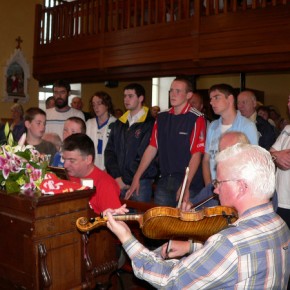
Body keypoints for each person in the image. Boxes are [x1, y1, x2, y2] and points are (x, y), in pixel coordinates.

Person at [106, 143, 290, 289]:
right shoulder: (280, 224)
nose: (215, 189)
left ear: (241, 186)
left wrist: (126, 237)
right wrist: (193, 247)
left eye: (219, 182)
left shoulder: (230, 243)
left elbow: (170, 281)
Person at [128, 77, 206, 206]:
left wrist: (185, 186)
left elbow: (196, 154)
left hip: (187, 181)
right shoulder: (162, 117)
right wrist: (137, 176)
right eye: (171, 91)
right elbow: (152, 147)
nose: (173, 94)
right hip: (164, 180)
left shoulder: (196, 118)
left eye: (178, 91)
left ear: (188, 95)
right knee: (161, 222)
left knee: (184, 224)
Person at [105, 83, 157, 202]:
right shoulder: (118, 124)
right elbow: (109, 152)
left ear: (141, 98)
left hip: (140, 181)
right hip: (118, 181)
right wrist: (117, 177)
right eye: (124, 96)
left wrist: (127, 179)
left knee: (139, 219)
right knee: (118, 218)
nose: (126, 99)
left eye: (130, 96)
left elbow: (144, 154)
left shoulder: (150, 123)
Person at [202, 84, 258, 185]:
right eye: (210, 99)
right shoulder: (213, 126)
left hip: (236, 187)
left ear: (230, 99)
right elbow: (206, 159)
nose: (211, 102)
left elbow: (252, 161)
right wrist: (208, 186)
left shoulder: (247, 126)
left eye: (216, 97)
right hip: (214, 186)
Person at [62, 133, 126, 215]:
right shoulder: (65, 176)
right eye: (64, 159)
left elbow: (116, 222)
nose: (65, 165)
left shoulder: (106, 185)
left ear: (88, 159)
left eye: (72, 161)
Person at [270, 95, 290, 228]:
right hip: (281, 201)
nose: (289, 104)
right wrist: (277, 156)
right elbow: (268, 154)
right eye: (288, 100)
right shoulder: (288, 130)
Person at [86, 91, 116, 170]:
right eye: (93, 104)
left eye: (99, 103)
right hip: (91, 167)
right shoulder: (89, 123)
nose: (96, 107)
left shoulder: (116, 124)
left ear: (107, 105)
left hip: (109, 169)